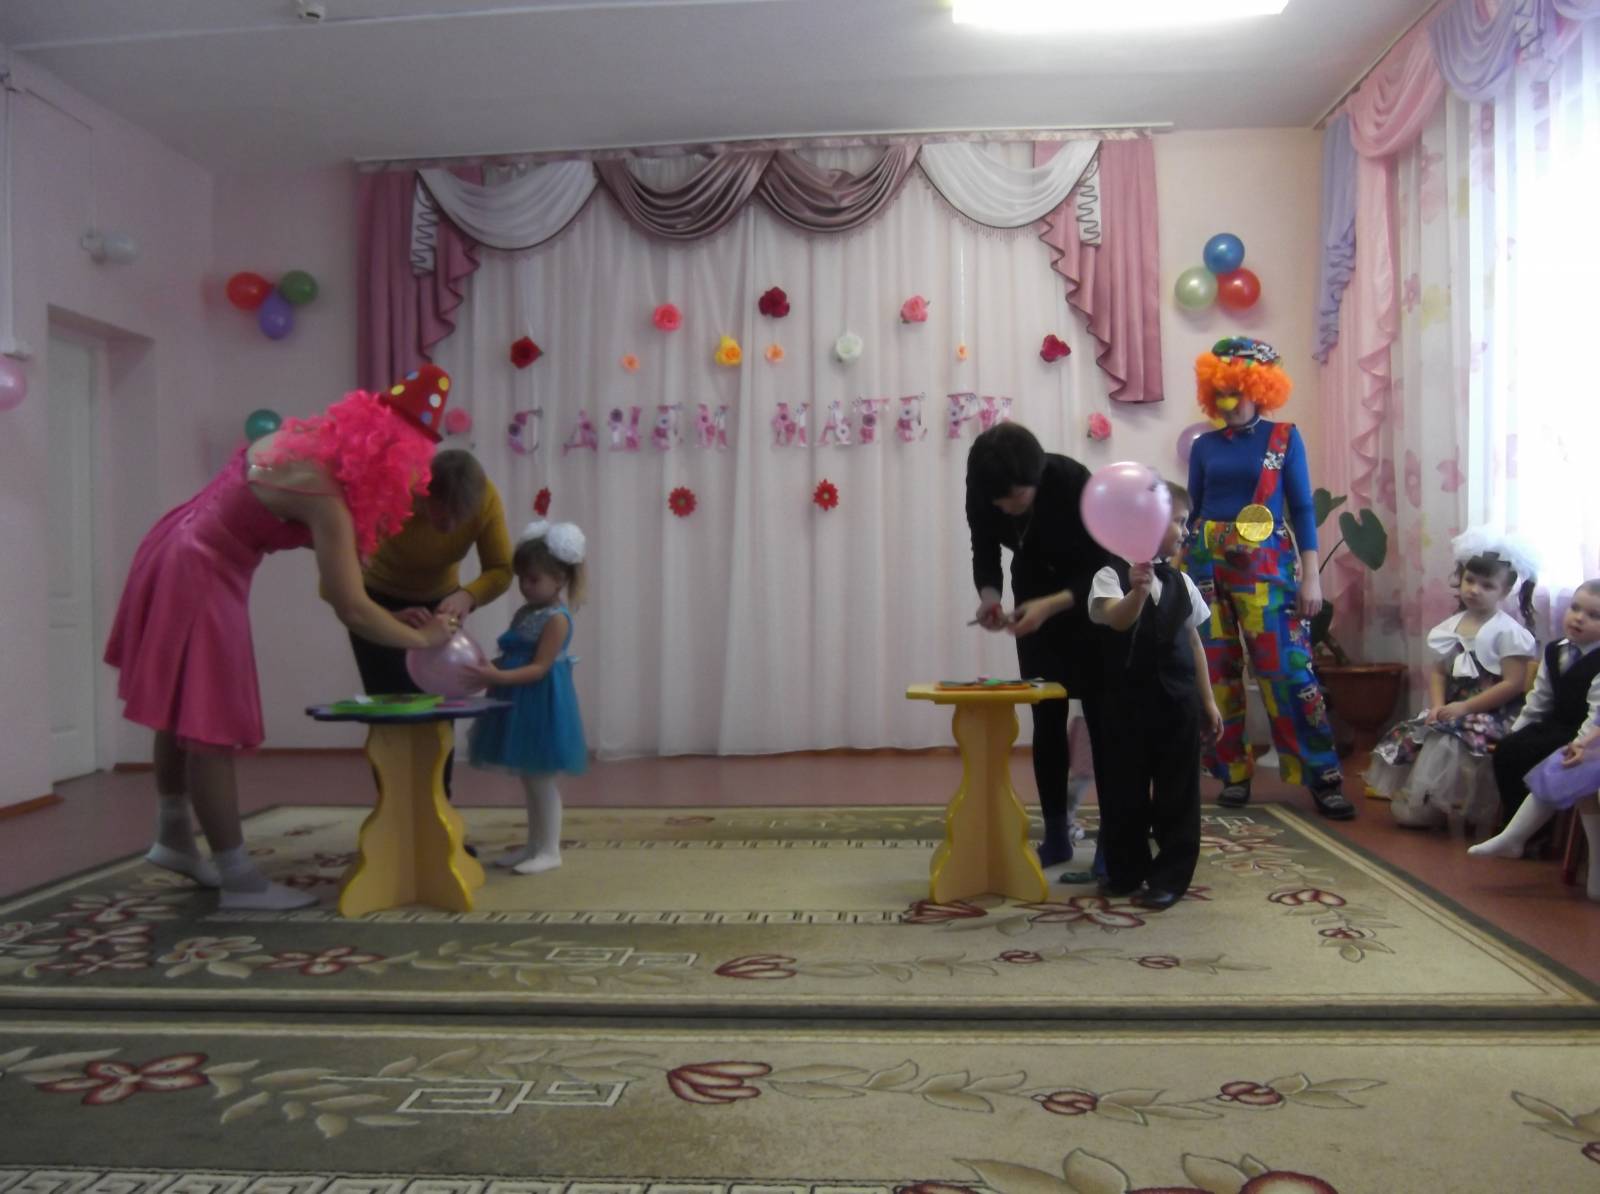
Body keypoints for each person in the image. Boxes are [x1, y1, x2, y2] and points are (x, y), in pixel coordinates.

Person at [104, 366, 458, 909]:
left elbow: (343, 576)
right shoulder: (325, 498)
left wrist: (394, 615)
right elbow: (351, 607)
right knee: (209, 722)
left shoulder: (301, 444)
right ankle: (238, 879)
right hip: (201, 572)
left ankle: (173, 834)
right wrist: (426, 637)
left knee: (180, 707)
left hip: (175, 544)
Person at [1184, 337, 1352, 820]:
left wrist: (1311, 577)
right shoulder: (1204, 447)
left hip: (1266, 564)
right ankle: (1231, 773)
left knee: (1286, 670)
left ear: (1260, 389)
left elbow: (1301, 508)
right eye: (1221, 394)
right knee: (1215, 670)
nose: (1230, 403)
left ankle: (1322, 776)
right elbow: (1191, 511)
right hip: (1205, 561)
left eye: (1238, 392)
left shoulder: (1284, 438)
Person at [966, 422, 1112, 868]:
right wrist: (990, 599)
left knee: (1104, 720)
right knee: (1046, 716)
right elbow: (984, 550)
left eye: (1016, 498)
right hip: (1032, 591)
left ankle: (1114, 837)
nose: (1007, 508)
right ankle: (1055, 834)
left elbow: (1104, 563)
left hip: (1091, 597)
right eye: (999, 502)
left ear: (1036, 478)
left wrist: (1051, 605)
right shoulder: (984, 486)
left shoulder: (1073, 481)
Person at [340, 448, 512, 819]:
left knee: (439, 717)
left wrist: (467, 596)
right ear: (423, 494)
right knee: (390, 716)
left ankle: (438, 816)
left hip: (440, 606)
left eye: (462, 517)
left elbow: (500, 569)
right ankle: (394, 817)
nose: (452, 526)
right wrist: (388, 617)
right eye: (444, 514)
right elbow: (339, 580)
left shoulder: (487, 498)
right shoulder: (393, 492)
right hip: (378, 602)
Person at [1087, 483, 1222, 910]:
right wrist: (1137, 593)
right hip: (1124, 704)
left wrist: (1207, 701)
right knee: (1123, 790)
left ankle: (1170, 877)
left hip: (1178, 704)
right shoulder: (1109, 575)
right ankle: (1124, 870)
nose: (1186, 530)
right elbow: (1116, 618)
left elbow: (1194, 642)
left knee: (1178, 792)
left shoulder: (1182, 582)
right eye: (1179, 522)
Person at [1367, 529, 1538, 834]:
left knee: (1449, 737)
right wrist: (1437, 706)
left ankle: (1452, 804)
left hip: (1494, 712)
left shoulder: (1509, 633)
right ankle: (1426, 801)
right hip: (1454, 708)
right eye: (1470, 580)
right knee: (1421, 728)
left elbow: (1513, 684)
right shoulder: (1450, 627)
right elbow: (1438, 672)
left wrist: (1465, 708)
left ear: (1505, 590)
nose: (1474, 590)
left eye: (1487, 585)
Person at [466, 520, 589, 874]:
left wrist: (495, 676)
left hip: (540, 701)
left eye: (533, 579)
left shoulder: (557, 619)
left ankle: (550, 850)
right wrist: (482, 669)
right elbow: (512, 655)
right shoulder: (526, 612)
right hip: (517, 697)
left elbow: (539, 667)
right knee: (529, 777)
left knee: (541, 779)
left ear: (559, 579)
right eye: (522, 579)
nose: (525, 586)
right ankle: (534, 845)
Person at [1470, 579, 1600, 867]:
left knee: (1549, 757)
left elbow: (1596, 716)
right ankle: (1514, 828)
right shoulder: (1555, 651)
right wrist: (1517, 731)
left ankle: (1535, 835)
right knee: (1510, 750)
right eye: (1575, 608)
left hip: (1581, 733)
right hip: (1554, 724)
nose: (1579, 618)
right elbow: (1539, 700)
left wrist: (1578, 743)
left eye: (1594, 616)